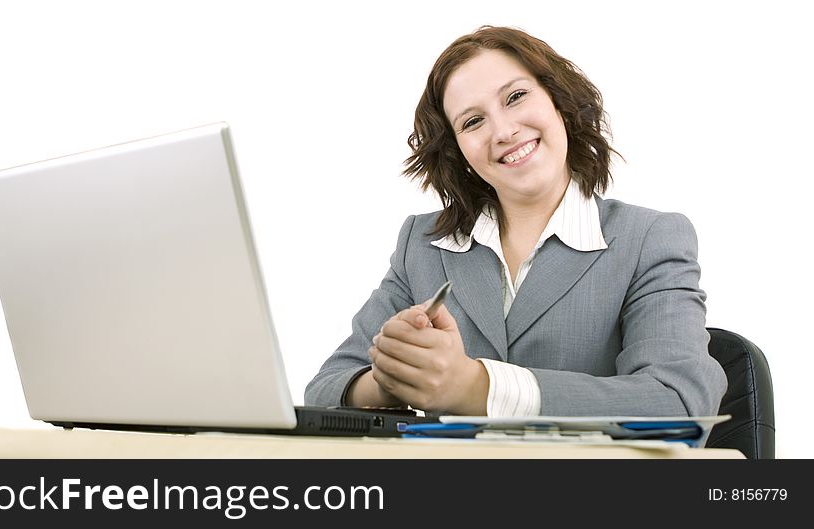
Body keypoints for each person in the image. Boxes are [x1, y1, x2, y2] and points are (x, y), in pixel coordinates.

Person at [304, 25, 727, 418]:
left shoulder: (648, 240)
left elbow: (679, 401)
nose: (503, 130)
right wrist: (393, 379)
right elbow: (325, 389)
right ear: (459, 152)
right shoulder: (423, 244)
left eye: (516, 96)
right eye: (473, 122)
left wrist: (476, 388)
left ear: (557, 101)